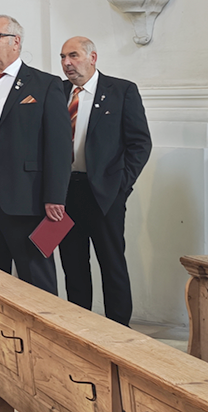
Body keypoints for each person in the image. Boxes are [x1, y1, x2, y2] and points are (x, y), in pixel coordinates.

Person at [0, 15, 72, 294]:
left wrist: (54, 196)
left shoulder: (44, 84)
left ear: (16, 41)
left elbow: (58, 145)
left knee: (36, 280)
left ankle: (44, 337)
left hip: (26, 198)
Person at [59, 36, 151, 325]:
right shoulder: (57, 92)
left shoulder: (121, 90)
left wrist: (121, 186)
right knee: (73, 265)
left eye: (73, 55)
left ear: (92, 57)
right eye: (62, 57)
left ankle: (119, 332)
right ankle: (80, 327)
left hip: (105, 194)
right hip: (64, 194)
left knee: (112, 264)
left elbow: (140, 143)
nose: (66, 63)